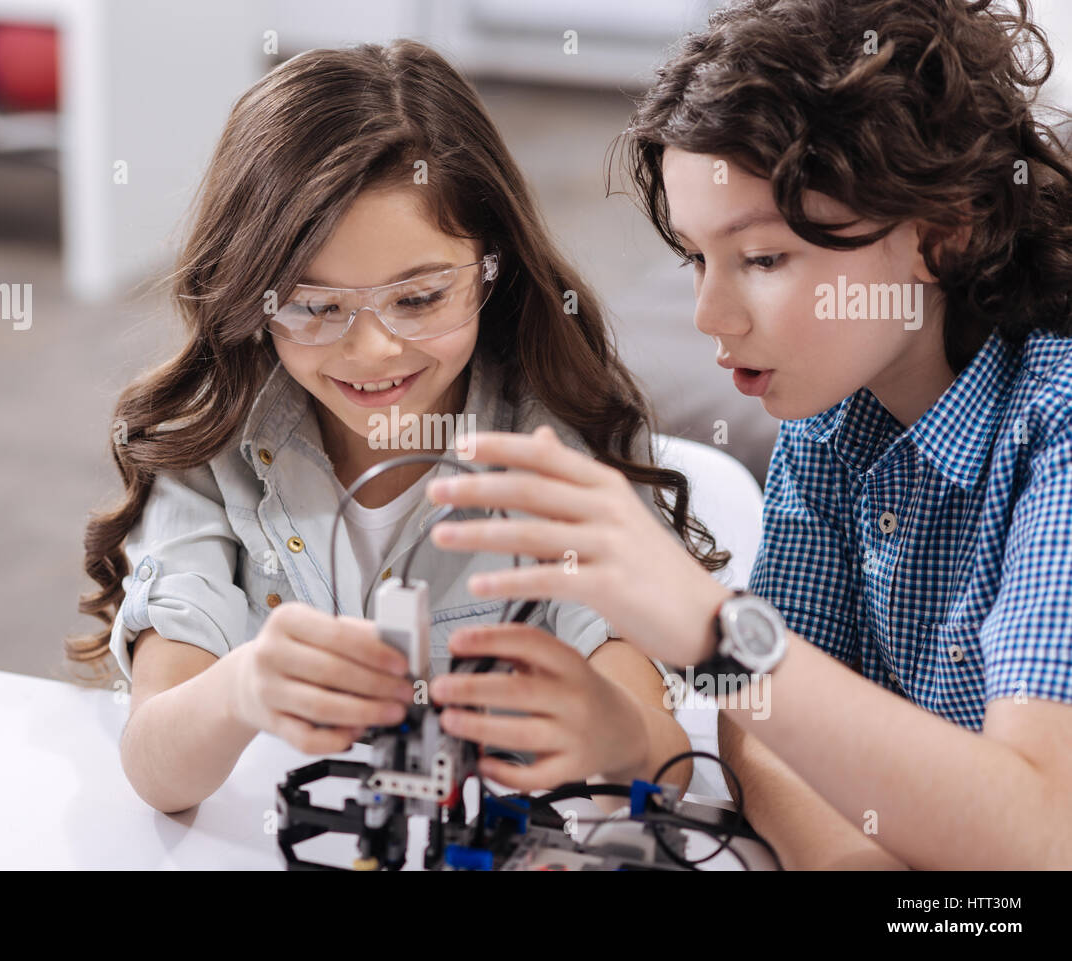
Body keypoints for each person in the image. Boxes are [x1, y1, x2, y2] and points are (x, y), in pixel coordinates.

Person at [425, 0, 1072, 868]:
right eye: (694, 257)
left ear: (944, 232)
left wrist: (708, 624)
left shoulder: (1054, 431)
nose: (709, 315)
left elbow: (1038, 835)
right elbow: (757, 726)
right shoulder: (831, 409)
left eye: (763, 259)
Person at [70, 40, 727, 814]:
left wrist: (611, 731)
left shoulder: (560, 446)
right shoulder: (212, 448)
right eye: (315, 306)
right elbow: (156, 768)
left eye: (419, 298)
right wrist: (242, 688)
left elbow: (662, 764)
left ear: (495, 266)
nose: (373, 348)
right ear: (250, 295)